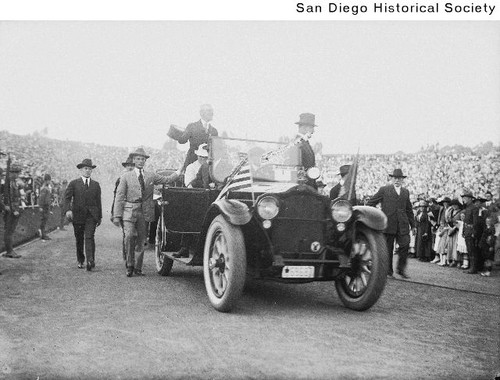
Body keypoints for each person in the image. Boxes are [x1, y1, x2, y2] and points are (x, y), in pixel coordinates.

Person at [112, 147, 178, 277]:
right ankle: (129, 265)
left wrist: (178, 172)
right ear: (133, 160)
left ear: (145, 161)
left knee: (141, 240)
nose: (140, 161)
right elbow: (119, 196)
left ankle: (137, 268)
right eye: (138, 159)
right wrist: (116, 215)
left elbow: (167, 180)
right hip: (129, 210)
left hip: (145, 211)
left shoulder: (151, 175)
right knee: (129, 236)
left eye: (142, 159)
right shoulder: (126, 177)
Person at [367, 168, 415, 278]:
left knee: (405, 245)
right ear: (391, 179)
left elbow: (409, 210)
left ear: (402, 180)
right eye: (395, 178)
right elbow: (371, 202)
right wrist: (374, 217)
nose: (397, 180)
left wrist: (413, 225)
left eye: (399, 178)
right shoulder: (384, 189)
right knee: (388, 249)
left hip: (402, 225)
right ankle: (388, 271)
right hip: (388, 224)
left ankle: (401, 269)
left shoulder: (405, 192)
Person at [64, 159, 102, 271]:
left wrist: (99, 216)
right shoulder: (74, 183)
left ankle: (90, 260)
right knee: (79, 238)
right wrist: (68, 210)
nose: (88, 171)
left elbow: (98, 201)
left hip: (91, 216)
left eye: (90, 169)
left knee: (89, 237)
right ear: (81, 170)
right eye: (86, 168)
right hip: (78, 215)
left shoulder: (96, 185)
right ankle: (80, 260)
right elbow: (67, 198)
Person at [169, 104, 218, 173]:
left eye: (212, 111)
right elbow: (182, 141)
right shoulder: (192, 126)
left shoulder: (214, 131)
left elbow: (216, 148)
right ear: (201, 113)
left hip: (207, 164)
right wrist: (178, 133)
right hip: (192, 161)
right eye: (209, 111)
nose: (212, 113)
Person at [111, 154, 135, 264]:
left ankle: (131, 257)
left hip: (135, 209)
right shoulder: (120, 179)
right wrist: (114, 213)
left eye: (132, 165)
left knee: (135, 235)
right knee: (127, 234)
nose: (130, 167)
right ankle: (127, 257)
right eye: (128, 165)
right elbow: (116, 197)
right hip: (124, 209)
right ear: (125, 167)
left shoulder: (138, 178)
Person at [1, 163, 23, 259]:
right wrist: (4, 206)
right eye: (16, 173)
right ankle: (9, 251)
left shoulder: (14, 182)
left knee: (11, 231)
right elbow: (7, 198)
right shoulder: (7, 183)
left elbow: (15, 197)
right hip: (10, 211)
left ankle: (10, 250)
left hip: (14, 210)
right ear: (11, 173)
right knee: (9, 231)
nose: (17, 175)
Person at [461, 190, 481, 274]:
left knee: (472, 250)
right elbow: (465, 221)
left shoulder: (474, 208)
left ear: (470, 198)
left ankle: (473, 268)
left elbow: (476, 222)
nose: (463, 199)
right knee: (469, 250)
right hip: (467, 230)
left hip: (471, 231)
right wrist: (463, 230)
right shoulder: (467, 208)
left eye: (465, 197)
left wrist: (474, 233)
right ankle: (471, 267)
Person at [38, 174, 52, 241]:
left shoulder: (46, 188)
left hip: (46, 206)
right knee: (43, 221)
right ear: (46, 180)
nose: (49, 182)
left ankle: (44, 234)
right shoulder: (44, 188)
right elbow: (41, 198)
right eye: (49, 180)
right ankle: (43, 235)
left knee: (45, 220)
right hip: (44, 207)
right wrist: (40, 206)